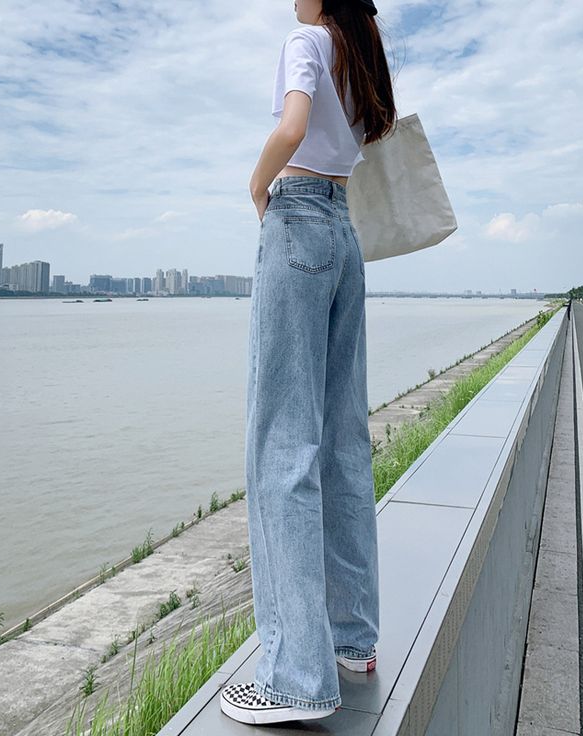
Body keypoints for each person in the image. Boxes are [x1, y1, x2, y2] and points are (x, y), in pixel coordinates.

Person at [219, 0, 398, 726]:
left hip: (295, 216)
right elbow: (353, 141)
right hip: (346, 235)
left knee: (280, 449)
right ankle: (353, 642)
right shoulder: (360, 54)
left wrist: (256, 187)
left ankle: (296, 678)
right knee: (342, 443)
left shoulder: (306, 38)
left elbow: (291, 128)